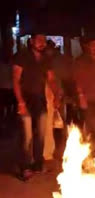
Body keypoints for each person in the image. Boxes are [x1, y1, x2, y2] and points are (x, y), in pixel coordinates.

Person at [12, 33, 60, 181]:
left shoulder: (46, 58)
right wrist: (20, 102)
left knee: (41, 133)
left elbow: (51, 79)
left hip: (40, 99)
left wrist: (56, 95)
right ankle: (25, 166)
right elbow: (15, 80)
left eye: (44, 40)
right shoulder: (22, 56)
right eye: (39, 40)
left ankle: (38, 164)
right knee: (27, 135)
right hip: (25, 99)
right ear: (31, 41)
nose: (42, 43)